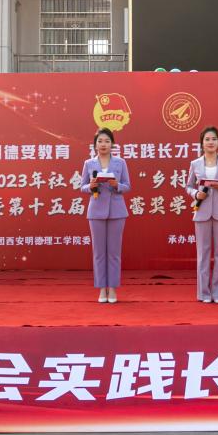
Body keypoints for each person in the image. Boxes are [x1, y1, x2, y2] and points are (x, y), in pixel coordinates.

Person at [186, 126, 218, 304]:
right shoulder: (195, 163)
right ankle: (204, 293)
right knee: (203, 254)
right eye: (207, 139)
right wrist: (196, 194)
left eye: (214, 139)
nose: (210, 142)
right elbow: (188, 186)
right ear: (202, 143)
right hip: (202, 211)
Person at [79, 127, 131, 304]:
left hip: (117, 211)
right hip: (96, 211)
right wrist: (91, 186)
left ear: (112, 144)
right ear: (95, 145)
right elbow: (82, 186)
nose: (103, 144)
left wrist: (117, 185)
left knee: (114, 253)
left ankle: (113, 289)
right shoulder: (89, 163)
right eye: (100, 141)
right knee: (99, 253)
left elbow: (127, 186)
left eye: (107, 141)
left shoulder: (120, 163)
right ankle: (102, 288)